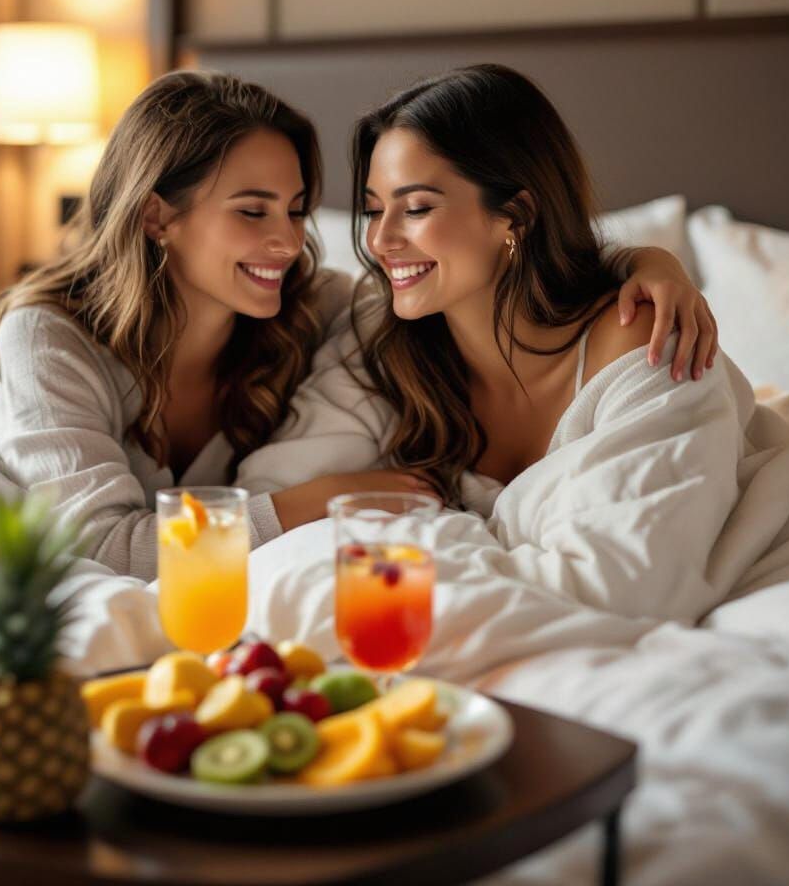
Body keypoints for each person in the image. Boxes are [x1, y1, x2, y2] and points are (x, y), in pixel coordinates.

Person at [0, 69, 710, 578]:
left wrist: (645, 264)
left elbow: (443, 282)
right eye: (252, 212)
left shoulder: (313, 305)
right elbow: (106, 549)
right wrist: (316, 502)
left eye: (298, 210)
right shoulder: (49, 336)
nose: (286, 242)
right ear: (156, 216)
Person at [236, 63, 755, 624]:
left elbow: (631, 579)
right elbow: (269, 507)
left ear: (517, 214)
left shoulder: (642, 341)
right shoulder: (382, 340)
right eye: (371, 209)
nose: (381, 240)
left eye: (415, 208)